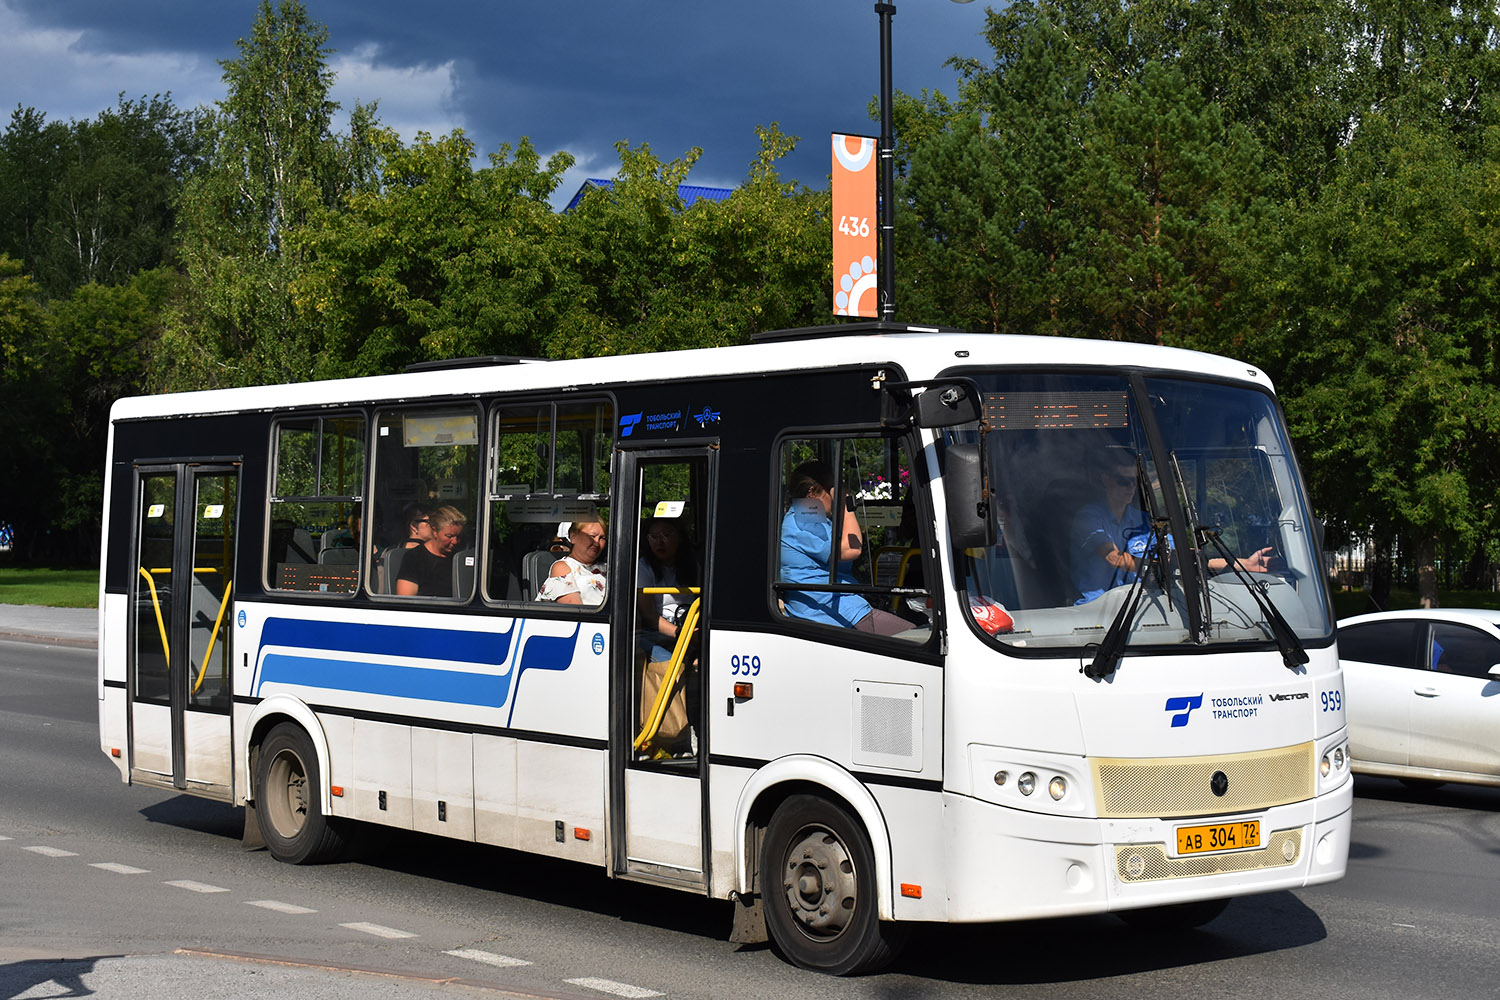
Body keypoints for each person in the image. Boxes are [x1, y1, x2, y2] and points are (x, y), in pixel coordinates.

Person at [1070, 452, 1272, 604]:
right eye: (1124, 481)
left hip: (1140, 608)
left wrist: (1244, 564)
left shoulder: (1145, 521)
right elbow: (1114, 558)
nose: (1131, 488)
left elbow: (1179, 556)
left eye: (1135, 482)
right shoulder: (1087, 517)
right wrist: (1158, 564)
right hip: (1097, 612)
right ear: (1106, 479)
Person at [779, 461, 910, 634]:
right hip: (829, 612)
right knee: (915, 636)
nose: (834, 496)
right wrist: (846, 501)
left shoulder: (807, 515)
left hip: (835, 605)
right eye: (832, 489)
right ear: (812, 494)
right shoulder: (803, 520)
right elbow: (851, 549)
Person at [637, 518, 697, 662]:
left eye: (666, 535)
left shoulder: (693, 565)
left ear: (679, 537)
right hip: (657, 632)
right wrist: (681, 633)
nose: (660, 542)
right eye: (654, 537)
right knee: (672, 664)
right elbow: (649, 615)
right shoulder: (643, 567)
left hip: (689, 625)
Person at [395, 505, 466, 597]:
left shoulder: (459, 558)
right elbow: (405, 600)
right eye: (449, 536)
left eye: (458, 537)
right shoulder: (414, 558)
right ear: (435, 531)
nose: (455, 541)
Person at [539, 519, 607, 605]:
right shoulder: (563, 568)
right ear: (573, 536)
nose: (597, 543)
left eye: (602, 538)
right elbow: (576, 612)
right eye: (592, 536)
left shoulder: (608, 568)